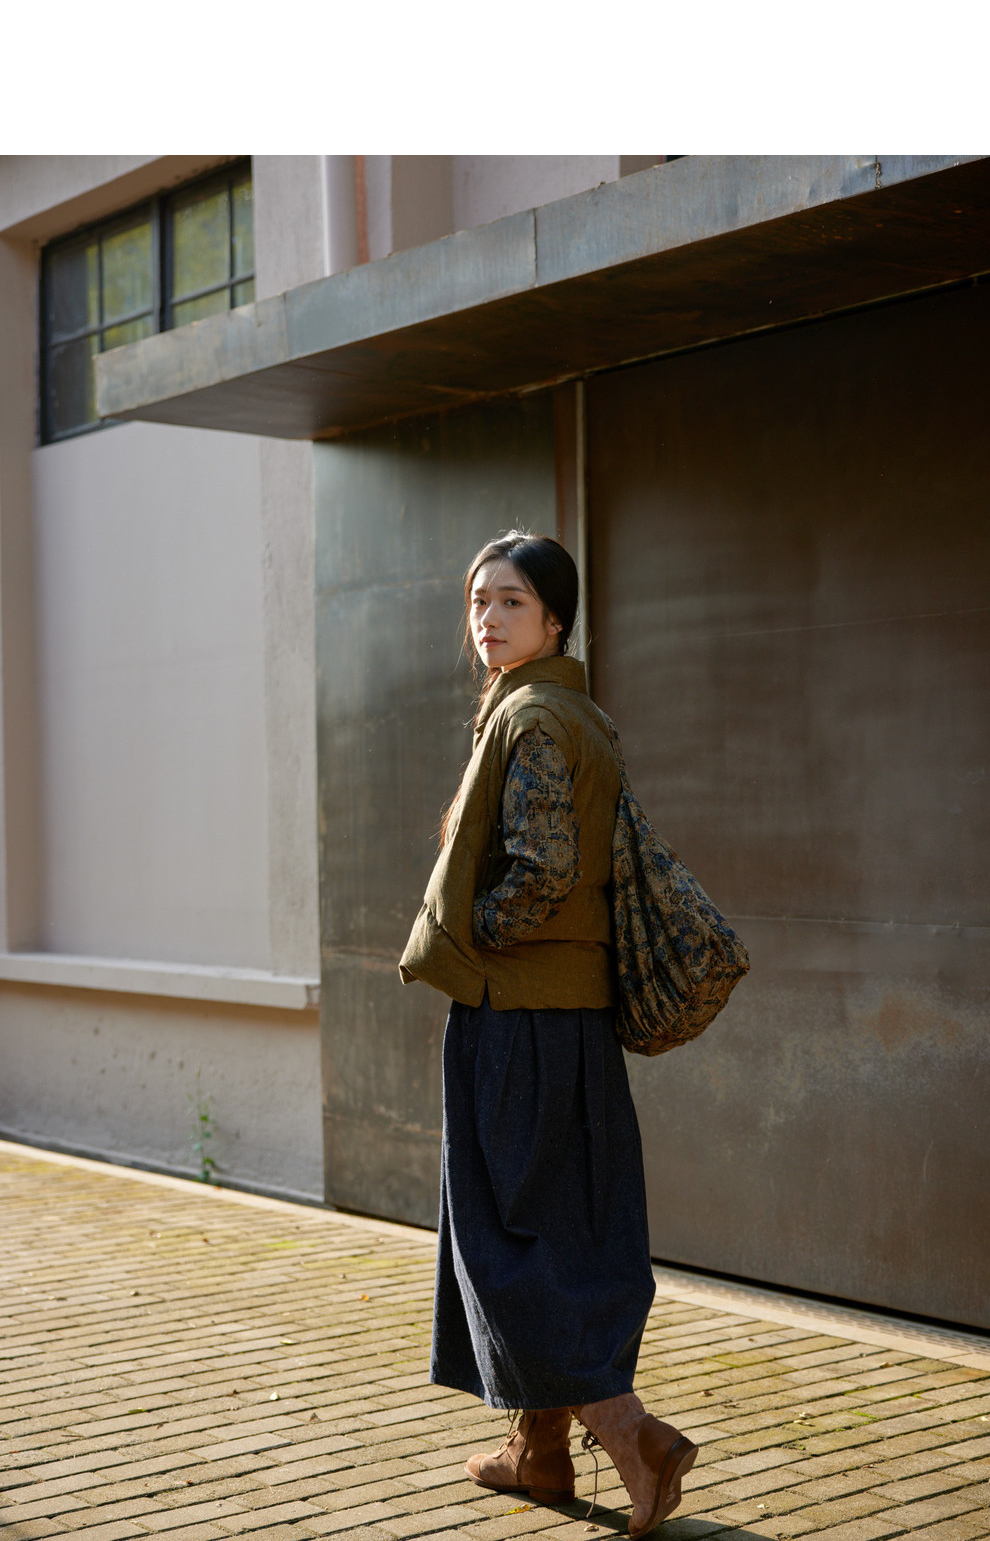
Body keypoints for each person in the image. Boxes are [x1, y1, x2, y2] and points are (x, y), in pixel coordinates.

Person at [399, 530, 698, 1537]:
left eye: (512, 601)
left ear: (555, 618)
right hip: (572, 1023)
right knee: (557, 1229)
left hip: (515, 1019)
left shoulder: (528, 718)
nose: (487, 617)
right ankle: (539, 1453)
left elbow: (541, 870)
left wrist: (475, 934)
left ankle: (632, 1433)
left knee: (502, 1242)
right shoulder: (579, 714)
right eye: (478, 599)